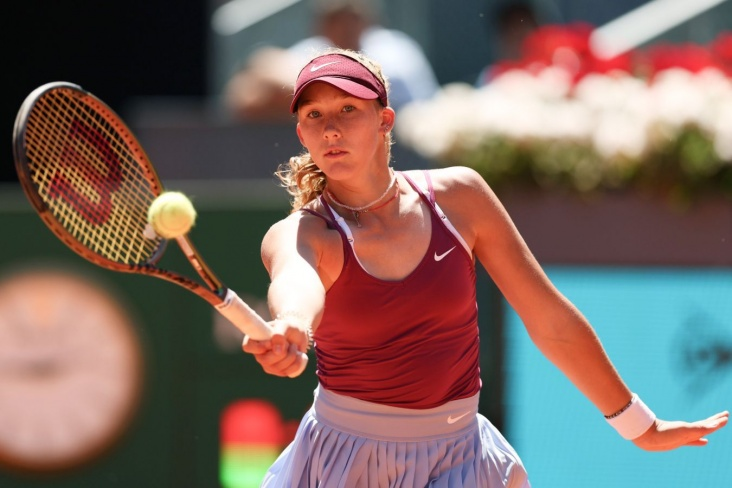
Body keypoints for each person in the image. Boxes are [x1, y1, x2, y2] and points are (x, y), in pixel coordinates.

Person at [242, 48, 729, 486]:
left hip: (463, 460)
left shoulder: (461, 197)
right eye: (314, 115)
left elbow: (549, 320)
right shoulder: (301, 232)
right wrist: (291, 325)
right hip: (349, 464)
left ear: (384, 119)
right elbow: (295, 281)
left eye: (348, 109)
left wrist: (639, 425)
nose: (331, 128)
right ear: (302, 133)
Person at [224, 0, 439, 122]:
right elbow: (243, 96)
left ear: (366, 19)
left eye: (351, 16)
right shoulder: (312, 48)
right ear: (320, 25)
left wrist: (308, 88)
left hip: (400, 150)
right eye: (333, 18)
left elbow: (376, 98)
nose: (344, 26)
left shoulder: (393, 48)